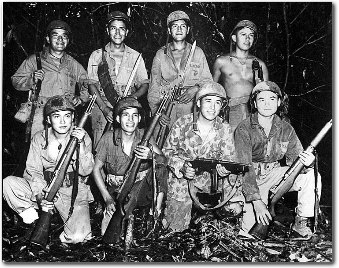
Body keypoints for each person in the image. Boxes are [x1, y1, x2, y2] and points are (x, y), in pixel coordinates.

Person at [234, 81, 322, 240]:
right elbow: (244, 167)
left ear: (279, 102)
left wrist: (308, 163)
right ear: (254, 103)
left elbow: (296, 162)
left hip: (274, 175)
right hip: (248, 180)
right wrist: (257, 201)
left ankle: (301, 222)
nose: (267, 103)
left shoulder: (286, 128)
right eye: (261, 99)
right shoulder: (243, 128)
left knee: (311, 176)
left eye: (272, 99)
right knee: (248, 237)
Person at [3, 95, 94, 244]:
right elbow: (33, 171)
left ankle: (64, 222)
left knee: (79, 237)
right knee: (8, 184)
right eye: (57, 116)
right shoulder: (39, 138)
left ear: (73, 119)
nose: (63, 121)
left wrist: (81, 145)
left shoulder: (82, 137)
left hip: (71, 190)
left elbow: (86, 171)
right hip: (45, 187)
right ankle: (35, 220)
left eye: (67, 116)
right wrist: (40, 198)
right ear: (48, 120)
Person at [162, 82, 246, 233]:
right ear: (199, 103)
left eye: (217, 103)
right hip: (183, 181)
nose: (212, 108)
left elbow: (230, 159)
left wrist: (225, 171)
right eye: (208, 101)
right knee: (175, 230)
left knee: (234, 208)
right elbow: (167, 152)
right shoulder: (182, 124)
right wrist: (182, 166)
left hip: (211, 182)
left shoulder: (224, 128)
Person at [92, 96, 168, 236]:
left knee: (159, 166)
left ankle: (156, 211)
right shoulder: (108, 138)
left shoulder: (145, 136)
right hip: (116, 188)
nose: (130, 120)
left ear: (139, 119)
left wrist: (152, 156)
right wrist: (107, 198)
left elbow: (164, 160)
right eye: (125, 115)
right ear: (118, 119)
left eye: (134, 115)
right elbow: (96, 169)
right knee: (107, 233)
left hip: (143, 187)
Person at [12, 20, 90, 137]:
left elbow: (86, 82)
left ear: (68, 41)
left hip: (65, 113)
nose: (60, 40)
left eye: (64, 36)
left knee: (65, 150)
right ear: (48, 39)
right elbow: (15, 81)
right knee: (39, 148)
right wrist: (31, 80)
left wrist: (82, 99)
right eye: (55, 35)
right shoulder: (35, 60)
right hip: (41, 114)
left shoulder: (72, 63)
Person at [87, 11, 149, 147]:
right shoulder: (97, 55)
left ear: (126, 32)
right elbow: (91, 85)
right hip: (103, 108)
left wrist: (133, 97)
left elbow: (144, 84)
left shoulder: (135, 56)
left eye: (121, 29)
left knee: (125, 147)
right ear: (107, 31)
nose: (117, 33)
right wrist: (104, 109)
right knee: (100, 148)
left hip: (127, 110)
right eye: (113, 28)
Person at [148, 10, 213, 133]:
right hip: (166, 107)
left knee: (189, 144)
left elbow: (208, 81)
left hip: (190, 107)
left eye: (183, 26)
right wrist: (158, 112)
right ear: (169, 30)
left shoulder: (197, 52)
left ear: (188, 30)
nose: (179, 29)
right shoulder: (161, 54)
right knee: (162, 144)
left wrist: (195, 89)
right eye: (175, 26)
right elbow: (154, 86)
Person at [213, 20, 269, 132]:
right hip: (230, 112)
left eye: (251, 35)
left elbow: (267, 94)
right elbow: (211, 89)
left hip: (252, 113)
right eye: (243, 34)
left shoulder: (259, 64)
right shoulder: (221, 61)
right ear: (234, 38)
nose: (247, 39)